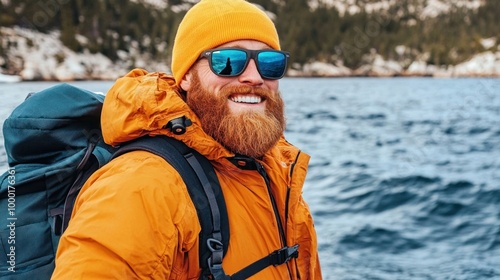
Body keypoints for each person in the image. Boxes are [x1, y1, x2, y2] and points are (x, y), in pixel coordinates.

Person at [52, 0, 322, 279]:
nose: (254, 77)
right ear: (187, 78)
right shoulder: (142, 183)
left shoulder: (278, 175)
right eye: (228, 62)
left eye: (270, 63)